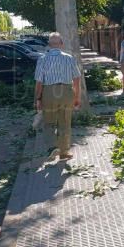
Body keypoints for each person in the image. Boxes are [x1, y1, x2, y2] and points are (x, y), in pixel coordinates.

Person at [34, 32, 81, 160]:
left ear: (49, 44)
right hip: (66, 92)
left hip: (49, 93)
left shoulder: (42, 59)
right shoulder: (69, 58)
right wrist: (77, 97)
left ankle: (52, 147)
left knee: (49, 123)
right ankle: (64, 152)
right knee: (65, 123)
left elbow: (39, 82)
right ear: (61, 44)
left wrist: (37, 99)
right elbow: (76, 80)